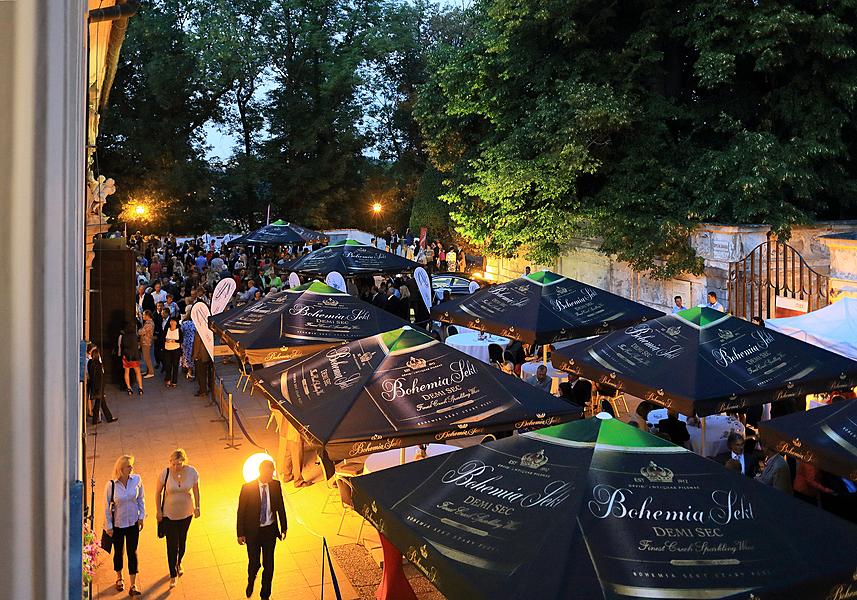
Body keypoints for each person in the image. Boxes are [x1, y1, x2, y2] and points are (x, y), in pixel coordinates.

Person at [237, 460, 287, 600]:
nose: (271, 476)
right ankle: (251, 579)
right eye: (268, 473)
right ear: (261, 472)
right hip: (253, 532)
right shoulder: (247, 488)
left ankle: (265, 594)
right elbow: (241, 511)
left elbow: (280, 507)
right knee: (254, 563)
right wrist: (240, 533)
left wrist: (284, 526)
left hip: (269, 531)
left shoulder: (276, 485)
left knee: (269, 564)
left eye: (272, 473)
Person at [156, 449, 201, 589]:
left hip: (186, 513)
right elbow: (157, 493)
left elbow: (196, 489)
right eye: (173, 463)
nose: (176, 466)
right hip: (169, 515)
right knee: (171, 545)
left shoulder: (192, 472)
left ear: (184, 462)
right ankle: (172, 574)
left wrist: (197, 507)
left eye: (179, 463)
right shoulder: (165, 473)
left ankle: (179, 561)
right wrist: (158, 511)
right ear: (170, 462)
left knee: (182, 542)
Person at [104, 455, 145, 596]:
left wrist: (141, 517)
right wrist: (109, 526)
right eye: (128, 466)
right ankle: (119, 577)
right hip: (118, 524)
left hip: (133, 522)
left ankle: (133, 584)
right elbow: (106, 507)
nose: (131, 468)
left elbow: (141, 499)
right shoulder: (111, 485)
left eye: (131, 465)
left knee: (132, 552)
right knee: (119, 552)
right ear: (121, 469)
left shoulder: (137, 480)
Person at [88, 346, 116, 425]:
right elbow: (101, 378)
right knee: (98, 405)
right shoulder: (99, 365)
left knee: (102, 403)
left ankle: (109, 417)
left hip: (95, 387)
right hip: (99, 388)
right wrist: (101, 390)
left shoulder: (90, 363)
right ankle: (97, 420)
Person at [120, 323, 144, 396]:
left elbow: (122, 345)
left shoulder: (124, 336)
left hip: (126, 356)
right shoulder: (134, 336)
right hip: (134, 356)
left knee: (126, 372)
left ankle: (129, 388)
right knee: (138, 372)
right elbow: (138, 345)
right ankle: (140, 388)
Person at [163, 317, 183, 388]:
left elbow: (181, 340)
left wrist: (175, 341)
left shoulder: (179, 330)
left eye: (174, 321)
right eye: (171, 321)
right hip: (167, 349)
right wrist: (166, 340)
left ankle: (174, 381)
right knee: (168, 365)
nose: (172, 323)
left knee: (175, 366)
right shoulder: (167, 329)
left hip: (176, 350)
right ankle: (167, 379)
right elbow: (163, 338)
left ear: (176, 323)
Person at [192, 330, 211, 397]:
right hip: (206, 356)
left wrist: (195, 356)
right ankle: (204, 389)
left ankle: (203, 390)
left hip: (200, 356)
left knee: (200, 374)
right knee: (204, 373)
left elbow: (196, 345)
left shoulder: (198, 333)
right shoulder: (207, 332)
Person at [139, 310, 155, 378]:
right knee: (146, 357)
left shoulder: (149, 324)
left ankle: (151, 372)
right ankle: (148, 371)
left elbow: (140, 332)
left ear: (147, 315)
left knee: (146, 358)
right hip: (146, 342)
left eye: (143, 315)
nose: (143, 316)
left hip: (146, 342)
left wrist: (139, 330)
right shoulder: (148, 323)